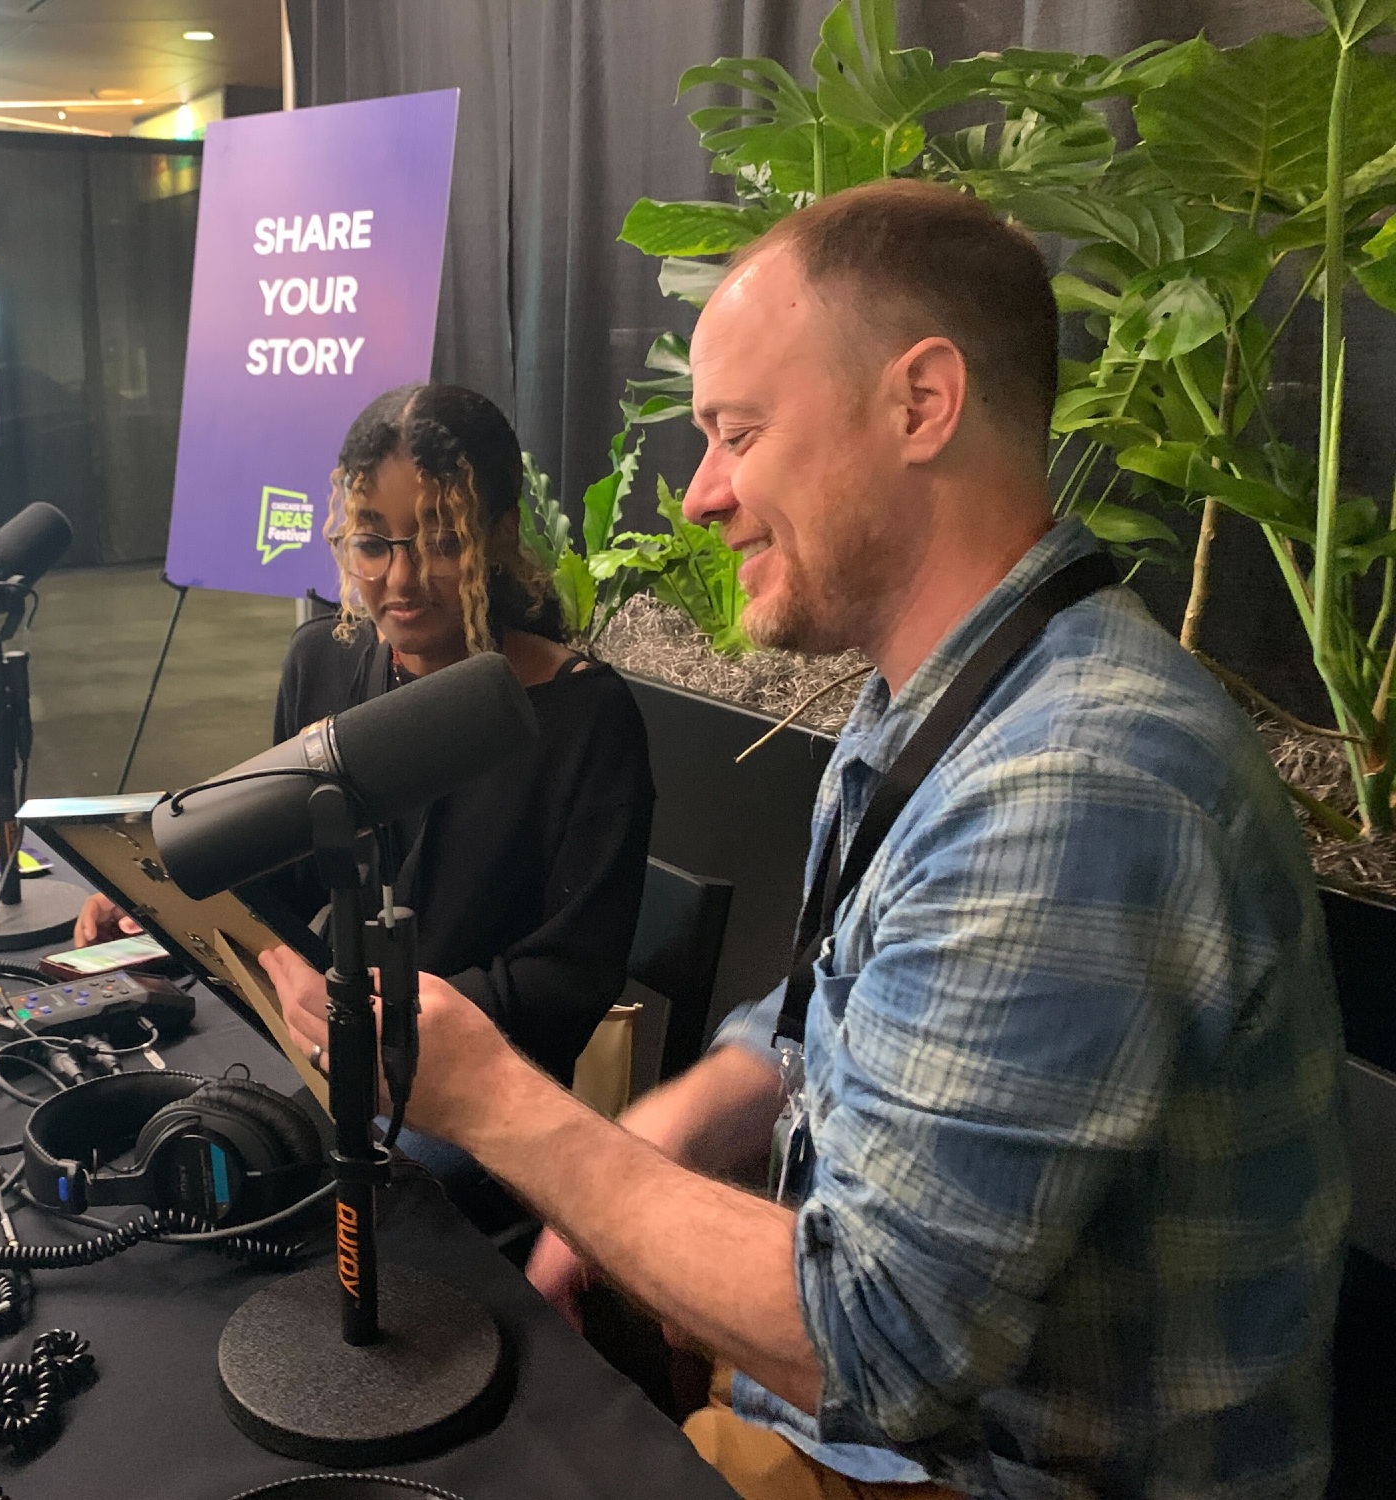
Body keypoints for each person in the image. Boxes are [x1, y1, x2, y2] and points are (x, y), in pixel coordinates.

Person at [269, 181, 1349, 1500]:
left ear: (921, 404)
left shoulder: (1071, 781)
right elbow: (821, 1019)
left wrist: (504, 1111)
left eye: (738, 433)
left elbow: (874, 1347)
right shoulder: (937, 700)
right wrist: (663, 1130)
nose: (700, 496)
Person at [81, 381, 656, 1094]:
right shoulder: (322, 661)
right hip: (325, 1047)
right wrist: (163, 893)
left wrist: (392, 1018)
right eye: (373, 543)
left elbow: (568, 980)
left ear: (501, 536)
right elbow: (283, 873)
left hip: (486, 1087)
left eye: (442, 541)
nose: (401, 579)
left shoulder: (586, 718)